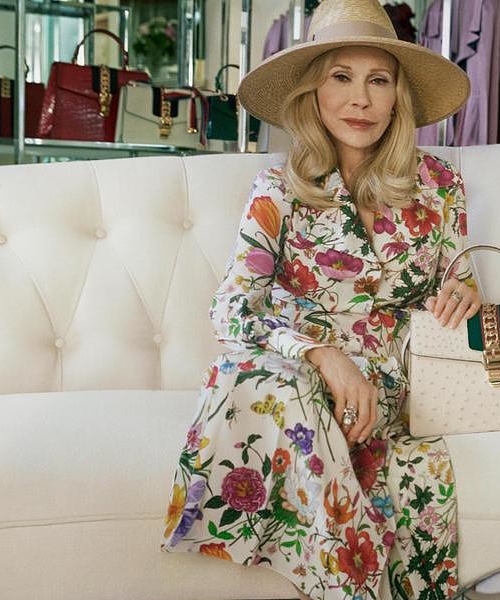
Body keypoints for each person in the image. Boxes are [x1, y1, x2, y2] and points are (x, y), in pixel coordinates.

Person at [162, 0, 477, 598]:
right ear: (314, 92)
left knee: (262, 385)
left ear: (397, 96)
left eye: (378, 80)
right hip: (306, 377)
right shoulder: (277, 190)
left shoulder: (440, 185)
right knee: (248, 375)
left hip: (395, 384)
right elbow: (232, 309)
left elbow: (461, 282)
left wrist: (463, 293)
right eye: (341, 77)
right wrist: (320, 354)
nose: (360, 100)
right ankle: (356, 585)